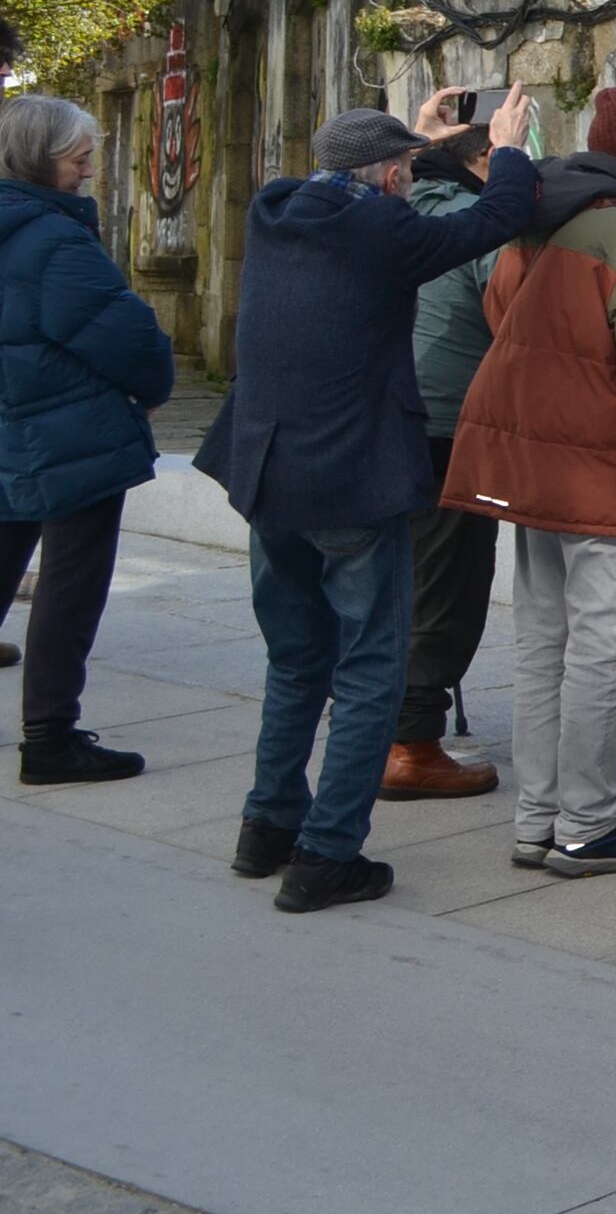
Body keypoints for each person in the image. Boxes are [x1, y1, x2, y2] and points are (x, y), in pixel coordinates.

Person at [200, 94, 537, 913]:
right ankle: (327, 855)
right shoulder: (384, 233)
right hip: (350, 477)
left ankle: (267, 827)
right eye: (401, 173)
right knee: (370, 670)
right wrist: (507, 145)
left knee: (295, 659)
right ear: (391, 177)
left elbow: (360, 178)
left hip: (268, 473)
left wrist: (415, 143)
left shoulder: (276, 213)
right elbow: (498, 214)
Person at [444, 87, 616, 878]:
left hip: (527, 461)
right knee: (601, 651)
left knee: (542, 644)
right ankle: (587, 824)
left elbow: (497, 313)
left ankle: (536, 819)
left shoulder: (535, 220)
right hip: (601, 465)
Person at [0, 95, 172, 785]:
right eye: (79, 159)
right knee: (71, 589)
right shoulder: (53, 240)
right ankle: (49, 737)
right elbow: (127, 339)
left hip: (15, 424)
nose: (90, 171)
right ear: (43, 162)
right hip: (73, 434)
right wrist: (152, 384)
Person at [389, 87, 508, 801]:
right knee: (444, 588)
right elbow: (515, 313)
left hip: (384, 420)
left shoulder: (391, 206)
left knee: (391, 585)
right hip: (447, 429)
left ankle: (382, 723)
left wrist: (416, 139)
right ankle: (410, 746)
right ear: (486, 160)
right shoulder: (474, 222)